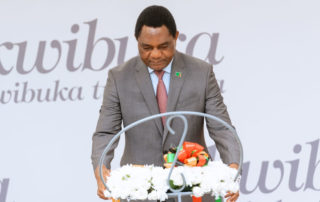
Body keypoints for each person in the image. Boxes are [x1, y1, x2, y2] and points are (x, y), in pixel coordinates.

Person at [91, 5, 240, 202]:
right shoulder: (119, 78)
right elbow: (106, 133)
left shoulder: (201, 73)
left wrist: (233, 168)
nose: (155, 55)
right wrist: (101, 168)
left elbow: (222, 128)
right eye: (146, 47)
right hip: (140, 193)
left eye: (163, 47)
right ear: (137, 41)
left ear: (176, 37)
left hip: (192, 191)